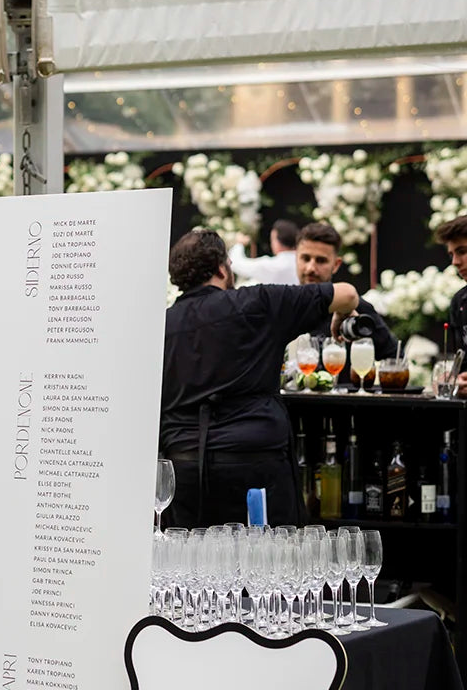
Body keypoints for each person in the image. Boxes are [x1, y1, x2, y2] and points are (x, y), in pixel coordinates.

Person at [161, 229, 358, 528]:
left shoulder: (161, 326)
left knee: (194, 569)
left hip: (184, 467)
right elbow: (347, 294)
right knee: (268, 564)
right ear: (221, 268)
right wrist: (339, 315)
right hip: (254, 463)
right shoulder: (259, 301)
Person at [295, 222, 398, 363]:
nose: (311, 268)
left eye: (321, 261)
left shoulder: (357, 308)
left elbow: (395, 358)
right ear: (296, 258)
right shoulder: (283, 304)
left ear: (336, 265)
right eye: (305, 258)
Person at [435, 213, 467, 395]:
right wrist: (452, 378)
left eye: (462, 251)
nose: (455, 262)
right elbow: (460, 365)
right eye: (452, 254)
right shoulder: (459, 302)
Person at [228, 219, 299, 284]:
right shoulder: (303, 263)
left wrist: (239, 244)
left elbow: (237, 264)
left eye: (272, 239)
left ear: (277, 242)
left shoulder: (271, 266)